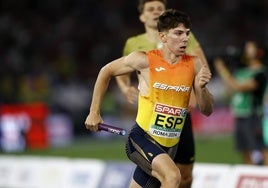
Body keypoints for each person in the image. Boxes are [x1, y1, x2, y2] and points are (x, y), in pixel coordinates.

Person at [85, 9, 214, 188]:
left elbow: (207, 110)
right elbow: (106, 71)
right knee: (172, 176)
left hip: (169, 148)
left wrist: (202, 88)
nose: (185, 38)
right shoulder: (144, 60)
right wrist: (94, 112)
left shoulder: (195, 64)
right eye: (178, 33)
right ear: (163, 37)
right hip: (142, 139)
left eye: (187, 34)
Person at [214, 40, 268, 165]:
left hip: (253, 115)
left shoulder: (261, 73)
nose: (245, 50)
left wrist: (222, 70)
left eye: (250, 48)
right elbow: (230, 91)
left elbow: (240, 87)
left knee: (261, 148)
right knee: (244, 150)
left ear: (258, 52)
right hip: (239, 115)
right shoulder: (240, 71)